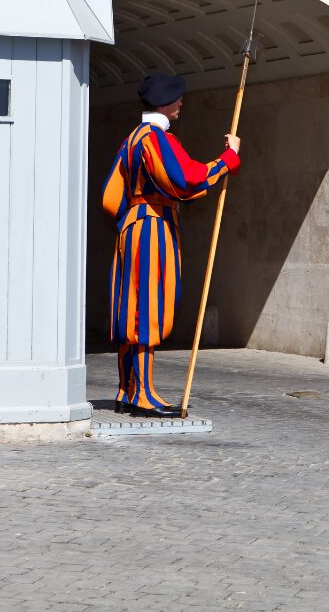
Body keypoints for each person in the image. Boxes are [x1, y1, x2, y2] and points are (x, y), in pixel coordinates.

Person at [101, 73, 242, 418]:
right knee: (148, 308)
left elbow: (110, 196)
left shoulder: (131, 139)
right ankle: (143, 395)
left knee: (129, 308)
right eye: (178, 98)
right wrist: (227, 160)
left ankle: (127, 389)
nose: (181, 104)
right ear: (165, 101)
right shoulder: (156, 138)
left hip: (132, 227)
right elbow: (185, 179)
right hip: (151, 228)